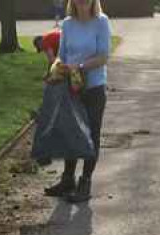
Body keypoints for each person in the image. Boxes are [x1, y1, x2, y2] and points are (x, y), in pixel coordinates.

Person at [43, 0, 111, 203]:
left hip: (94, 88)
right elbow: (62, 55)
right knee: (70, 131)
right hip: (70, 88)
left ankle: (85, 182)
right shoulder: (68, 24)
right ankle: (67, 179)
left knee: (91, 134)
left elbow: (103, 56)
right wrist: (56, 69)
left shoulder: (101, 22)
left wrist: (79, 67)